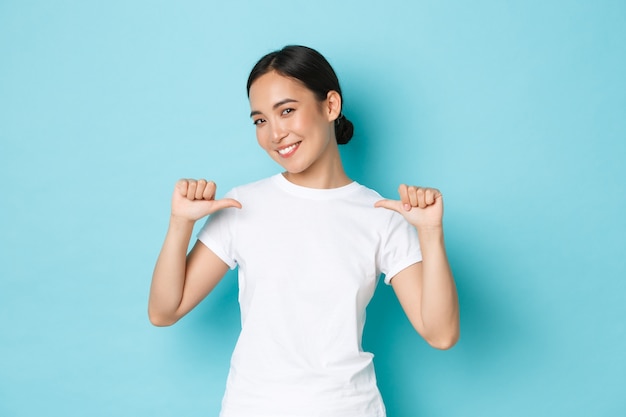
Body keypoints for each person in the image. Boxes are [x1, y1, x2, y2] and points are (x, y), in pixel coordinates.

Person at [148, 45, 459, 417]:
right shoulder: (241, 205)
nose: (275, 133)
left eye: (287, 111)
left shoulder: (381, 215)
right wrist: (180, 223)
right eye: (260, 120)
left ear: (330, 106)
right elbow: (164, 311)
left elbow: (440, 333)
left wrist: (430, 234)